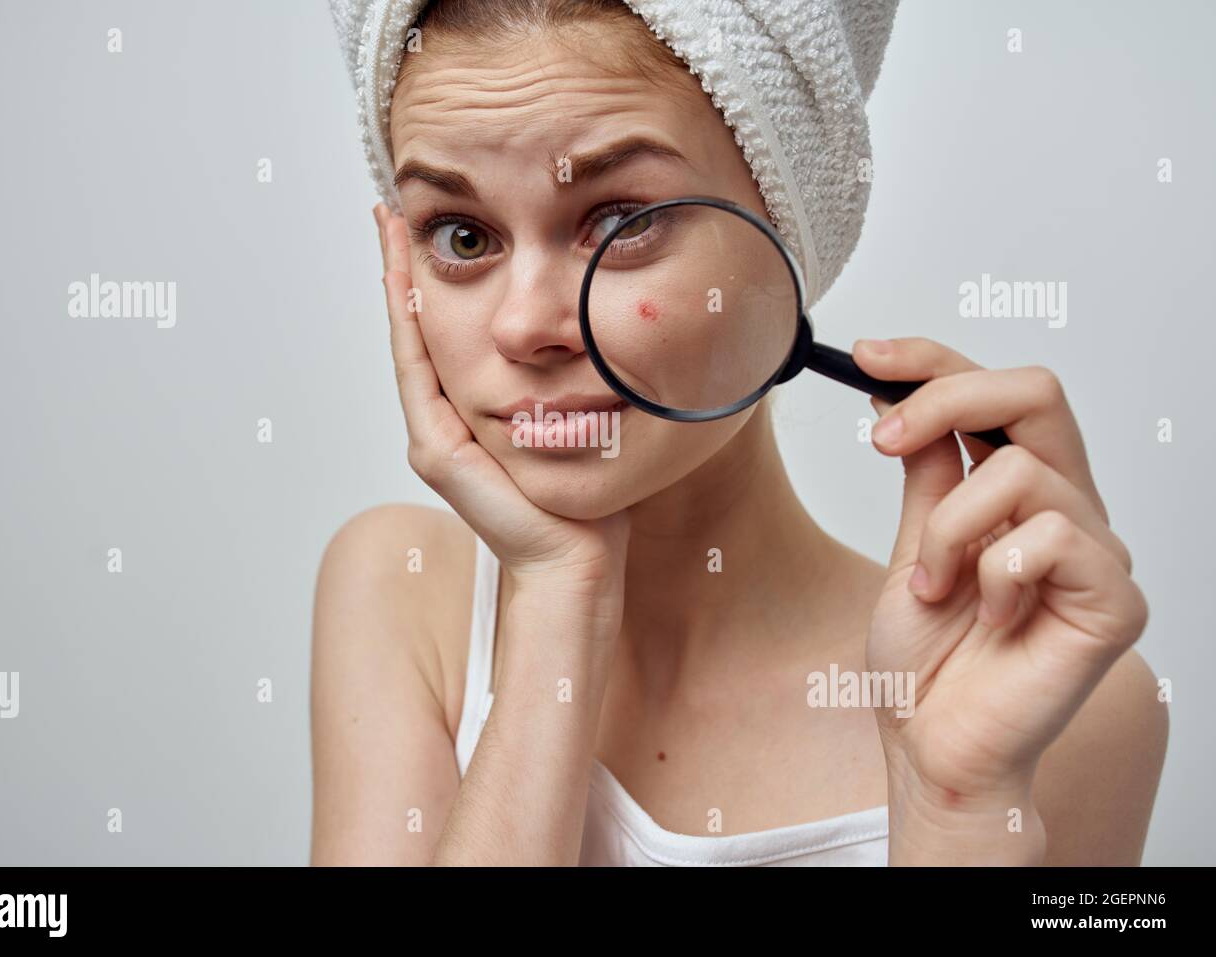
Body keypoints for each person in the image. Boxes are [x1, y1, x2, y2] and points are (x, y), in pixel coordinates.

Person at [311, 0, 1167, 866]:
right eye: (462, 235)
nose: (525, 325)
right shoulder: (401, 594)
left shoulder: (1059, 704)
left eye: (622, 221)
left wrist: (954, 809)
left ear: (788, 236)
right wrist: (558, 596)